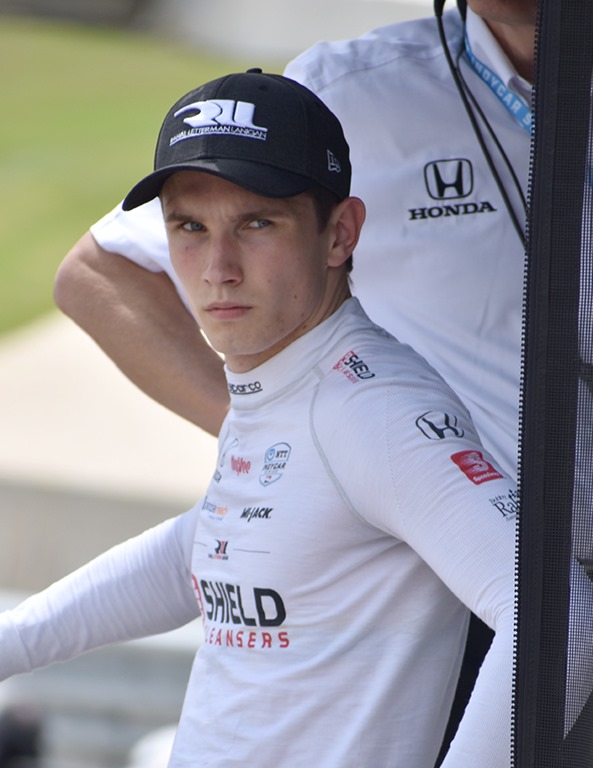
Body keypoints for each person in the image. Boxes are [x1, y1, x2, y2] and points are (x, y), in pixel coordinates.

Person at [53, 0, 535, 754]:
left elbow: (548, 613)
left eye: (257, 224)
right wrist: (294, 458)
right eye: (189, 228)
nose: (217, 268)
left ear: (340, 233)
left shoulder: (369, 411)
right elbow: (194, 551)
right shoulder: (300, 398)